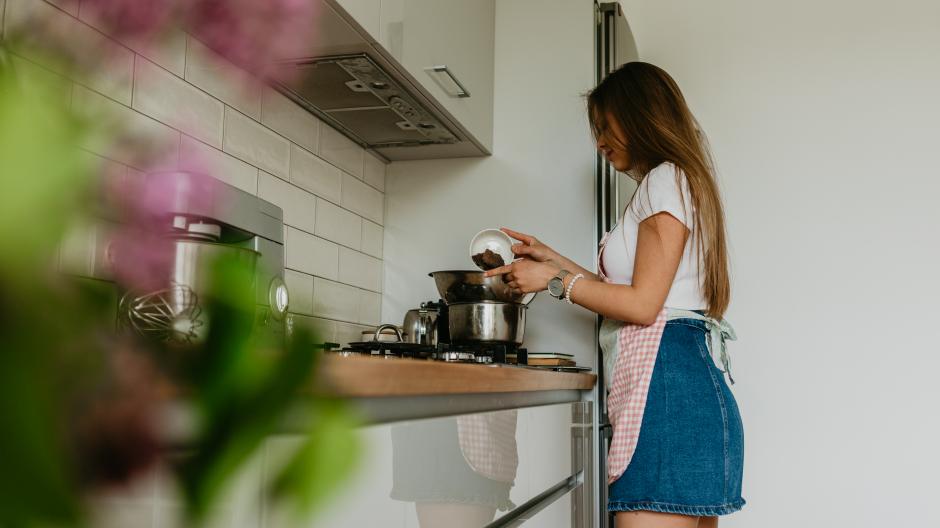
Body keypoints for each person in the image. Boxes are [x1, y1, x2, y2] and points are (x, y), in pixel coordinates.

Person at [485, 61, 744, 527]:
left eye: (607, 126)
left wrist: (554, 283)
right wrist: (552, 259)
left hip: (666, 397)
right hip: (682, 391)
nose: (599, 141)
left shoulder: (665, 180)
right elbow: (629, 292)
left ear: (642, 116)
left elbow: (642, 307)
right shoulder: (670, 181)